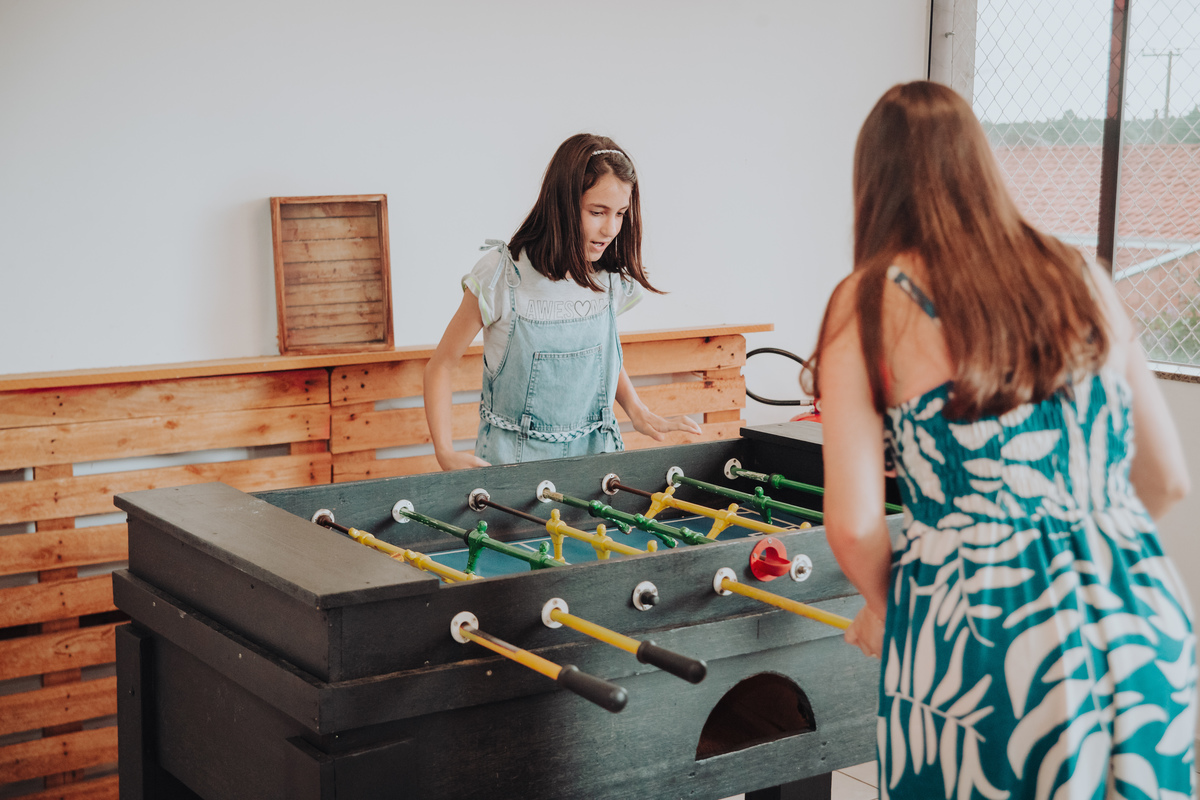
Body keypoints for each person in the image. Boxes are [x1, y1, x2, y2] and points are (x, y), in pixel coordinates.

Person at [808, 81, 1195, 797]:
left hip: (984, 629)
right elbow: (1167, 478)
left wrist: (888, 608)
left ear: (874, 185)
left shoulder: (868, 297)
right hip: (1137, 613)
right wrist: (1084, 549)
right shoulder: (1081, 272)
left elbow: (855, 527)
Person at [424, 133, 702, 469]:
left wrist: (636, 410)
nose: (611, 228)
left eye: (620, 213)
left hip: (599, 459)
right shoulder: (501, 276)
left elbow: (600, 359)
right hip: (511, 463)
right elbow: (441, 365)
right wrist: (444, 452)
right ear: (562, 204)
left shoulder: (611, 278)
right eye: (598, 212)